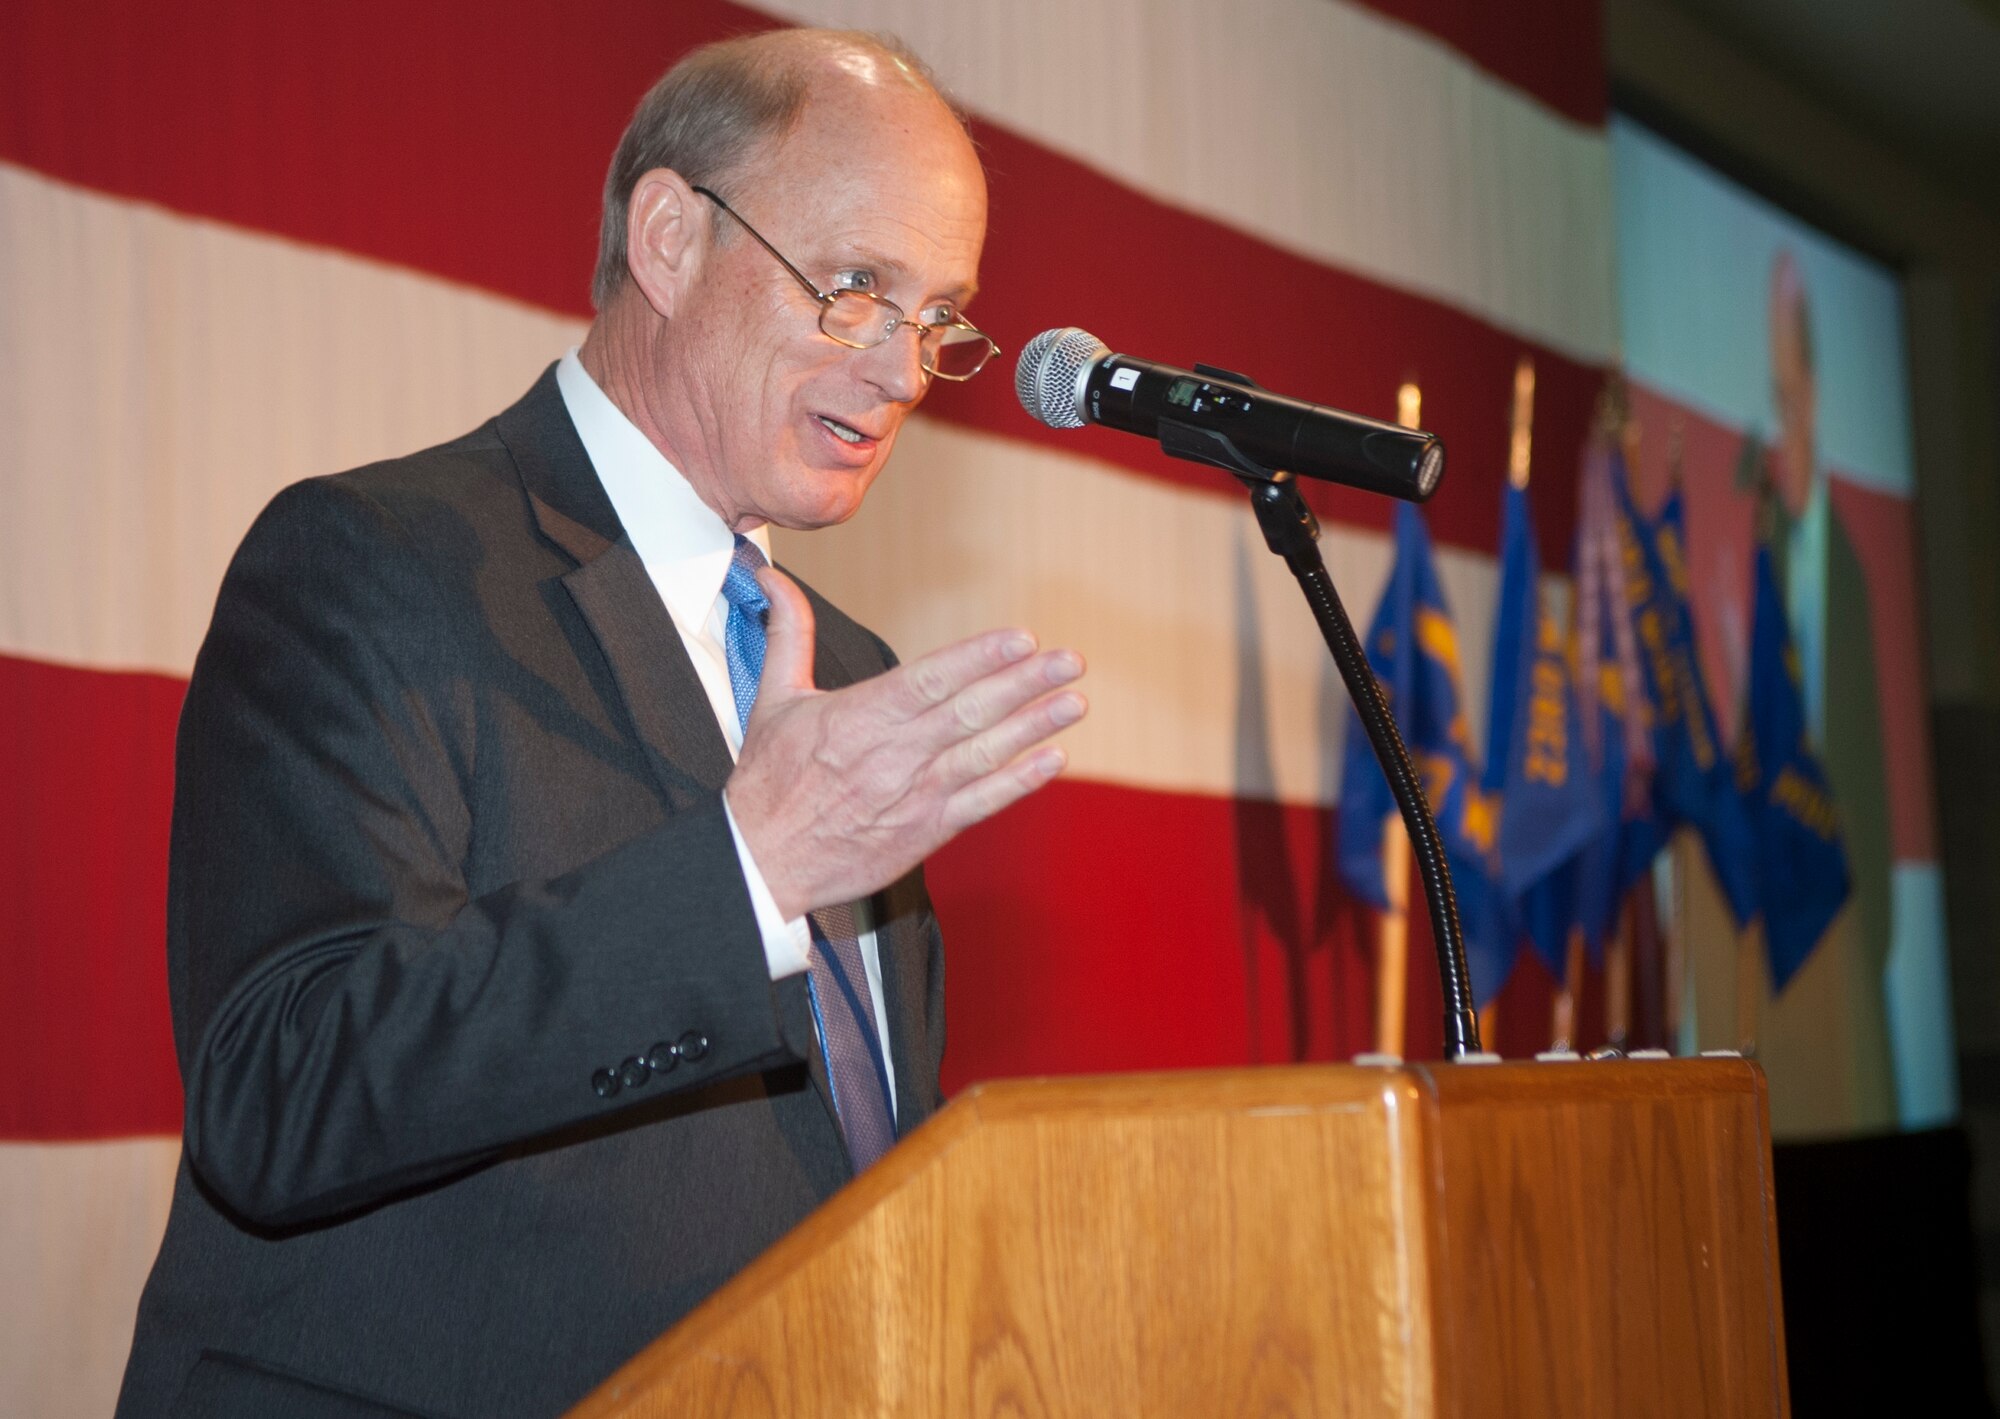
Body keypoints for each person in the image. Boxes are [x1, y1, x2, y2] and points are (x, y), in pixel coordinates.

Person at [116, 29, 1086, 1418]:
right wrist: (747, 871)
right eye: (858, 288)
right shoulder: (372, 564)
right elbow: (284, 1087)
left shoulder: (844, 669)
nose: (904, 374)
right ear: (672, 238)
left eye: (940, 317)